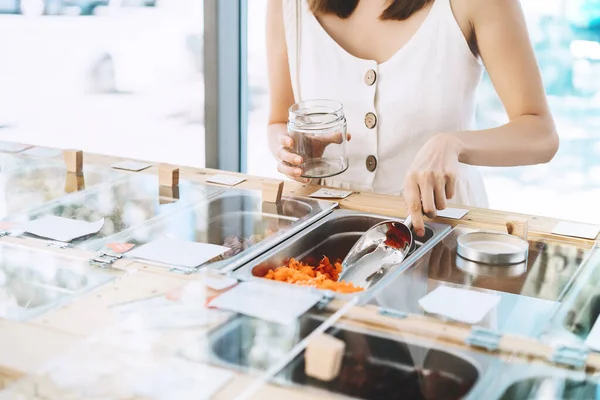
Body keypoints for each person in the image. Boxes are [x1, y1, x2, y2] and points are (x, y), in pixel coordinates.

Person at [266, 0, 559, 237]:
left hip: (441, 235)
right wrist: (290, 148)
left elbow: (541, 134)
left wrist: (453, 143)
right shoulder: (288, 5)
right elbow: (278, 120)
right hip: (320, 231)